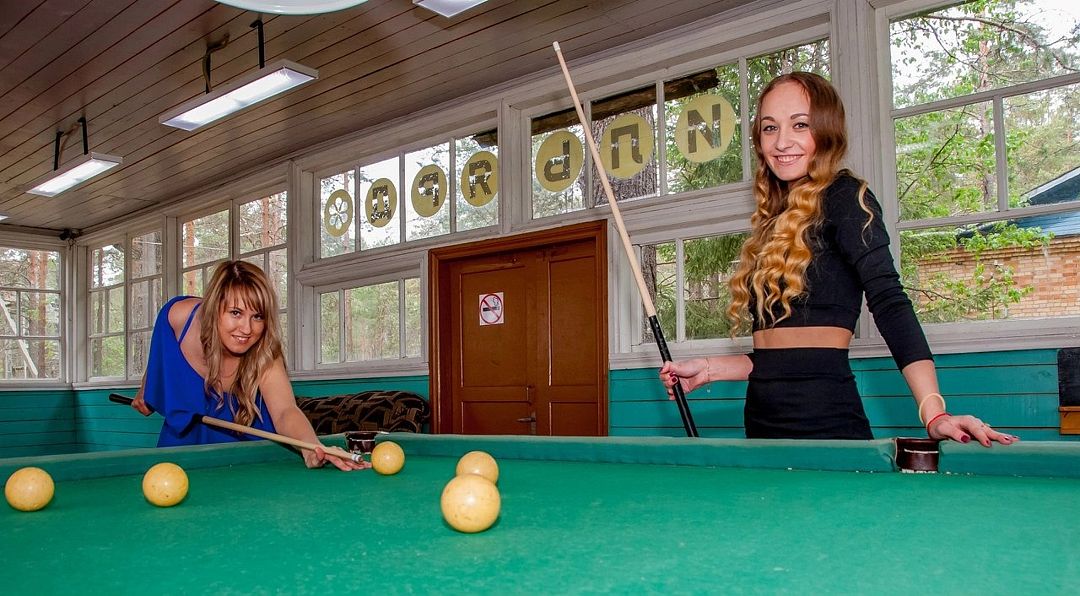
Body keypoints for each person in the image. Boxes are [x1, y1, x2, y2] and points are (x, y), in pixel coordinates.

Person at [660, 72, 1018, 446]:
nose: (781, 141)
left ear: (826, 131)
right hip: (762, 429)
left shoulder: (845, 197)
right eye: (770, 128)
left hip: (827, 427)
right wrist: (709, 369)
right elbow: (784, 355)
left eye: (800, 124)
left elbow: (890, 302)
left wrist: (935, 413)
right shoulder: (774, 222)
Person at [131, 260, 366, 470]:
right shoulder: (178, 316)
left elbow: (285, 411)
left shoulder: (265, 351)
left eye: (258, 316)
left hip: (248, 451)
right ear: (213, 308)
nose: (247, 329)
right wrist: (148, 386)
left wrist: (311, 446)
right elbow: (162, 348)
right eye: (236, 312)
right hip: (184, 440)